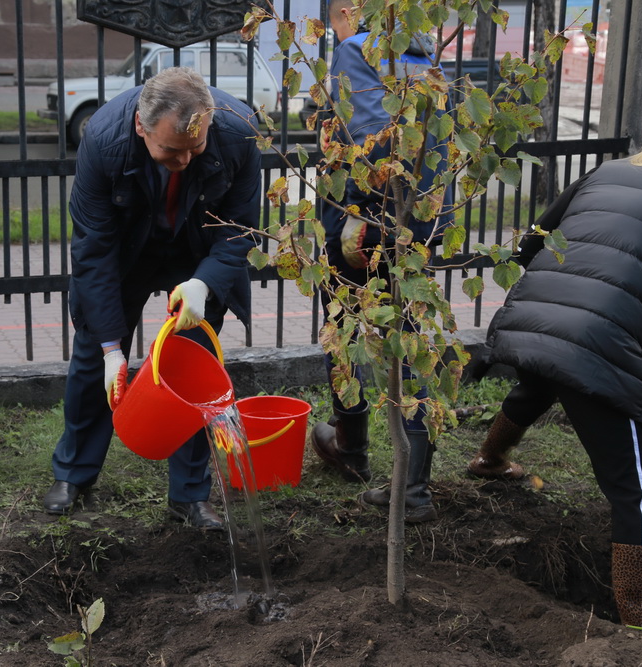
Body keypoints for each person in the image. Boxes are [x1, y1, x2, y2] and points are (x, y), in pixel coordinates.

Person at [468, 98, 642, 627]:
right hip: (601, 340)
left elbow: (530, 244)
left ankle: (490, 460)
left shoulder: (604, 173)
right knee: (637, 491)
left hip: (536, 316)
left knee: (542, 381)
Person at [42, 67, 262, 529]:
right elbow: (93, 249)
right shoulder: (104, 140)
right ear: (141, 127)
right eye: (170, 149)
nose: (184, 159)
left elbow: (240, 228)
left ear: (211, 122)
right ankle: (74, 473)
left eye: (195, 148)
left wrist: (204, 284)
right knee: (94, 357)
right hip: (128, 248)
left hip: (197, 249)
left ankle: (190, 494)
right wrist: (110, 347)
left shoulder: (238, 132)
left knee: (195, 365)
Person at [310, 0, 453, 523]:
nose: (335, 33)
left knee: (343, 326)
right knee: (410, 339)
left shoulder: (355, 49)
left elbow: (374, 141)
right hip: (418, 225)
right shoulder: (429, 58)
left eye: (335, 22)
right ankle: (413, 488)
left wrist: (355, 208)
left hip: (365, 226)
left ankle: (351, 449)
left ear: (351, 12)